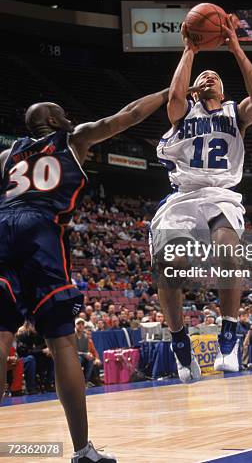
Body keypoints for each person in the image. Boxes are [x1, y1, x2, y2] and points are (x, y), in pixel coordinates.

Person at [0, 88, 170, 463]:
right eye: (64, 114)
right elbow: (127, 115)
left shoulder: (7, 156)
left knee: (1, 337)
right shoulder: (71, 140)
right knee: (62, 343)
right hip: (40, 230)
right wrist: (171, 91)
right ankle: (81, 451)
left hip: (2, 228)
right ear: (56, 122)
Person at [150, 14, 252, 382]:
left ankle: (228, 338)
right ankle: (180, 342)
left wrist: (234, 47)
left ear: (224, 89)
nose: (207, 76)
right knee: (170, 263)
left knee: (227, 246)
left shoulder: (237, 114)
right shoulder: (183, 112)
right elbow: (173, 95)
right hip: (184, 195)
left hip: (220, 193)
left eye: (214, 76)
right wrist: (189, 49)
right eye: (202, 77)